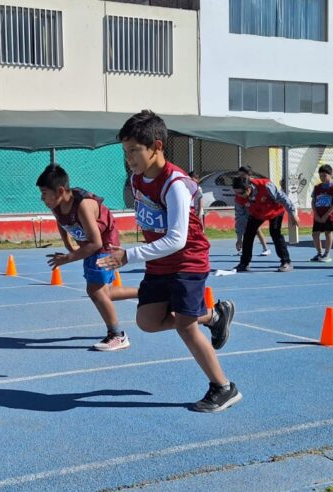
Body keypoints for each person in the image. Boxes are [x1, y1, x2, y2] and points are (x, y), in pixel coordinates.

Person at [98, 110, 240, 413]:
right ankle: (213, 317)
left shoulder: (174, 183)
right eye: (126, 151)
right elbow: (150, 222)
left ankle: (223, 387)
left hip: (188, 261)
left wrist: (130, 255)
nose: (130, 158)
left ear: (157, 146)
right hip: (159, 263)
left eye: (135, 150)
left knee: (186, 327)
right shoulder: (137, 180)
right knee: (147, 322)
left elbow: (176, 238)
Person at [37, 163, 136, 351]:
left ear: (60, 190)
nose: (42, 198)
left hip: (105, 244)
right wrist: (68, 244)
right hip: (90, 244)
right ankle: (147, 292)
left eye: (44, 193)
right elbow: (61, 221)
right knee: (103, 292)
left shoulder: (82, 205)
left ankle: (117, 335)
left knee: (95, 291)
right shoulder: (56, 204)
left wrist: (67, 257)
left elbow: (96, 243)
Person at [232, 175, 299, 273]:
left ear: (249, 188)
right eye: (236, 192)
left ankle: (286, 262)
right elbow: (240, 218)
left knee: (275, 233)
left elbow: (282, 197)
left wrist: (292, 213)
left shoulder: (265, 185)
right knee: (248, 234)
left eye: (241, 193)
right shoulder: (239, 198)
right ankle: (244, 263)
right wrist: (239, 238)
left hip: (275, 210)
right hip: (257, 213)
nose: (239, 195)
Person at [309, 164, 333, 263]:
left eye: (324, 175)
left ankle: (327, 254)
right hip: (318, 215)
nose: (322, 178)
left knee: (328, 233)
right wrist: (315, 214)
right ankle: (319, 253)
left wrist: (326, 215)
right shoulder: (317, 188)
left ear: (331, 175)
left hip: (328, 216)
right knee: (315, 234)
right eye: (320, 176)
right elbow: (313, 201)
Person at [235, 166, 271, 257]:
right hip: (247, 207)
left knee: (256, 228)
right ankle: (243, 247)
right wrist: (239, 238)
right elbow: (239, 217)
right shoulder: (240, 186)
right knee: (244, 225)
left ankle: (265, 248)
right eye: (239, 174)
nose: (240, 176)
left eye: (242, 175)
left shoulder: (256, 185)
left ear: (248, 175)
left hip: (256, 209)